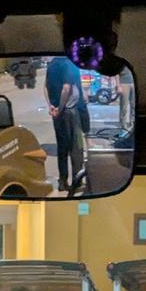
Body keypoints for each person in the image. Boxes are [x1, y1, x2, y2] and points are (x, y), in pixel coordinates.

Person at [45, 56, 86, 192]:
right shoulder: (69, 64)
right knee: (76, 148)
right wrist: (60, 108)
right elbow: (66, 88)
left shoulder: (52, 65)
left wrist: (51, 106)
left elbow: (45, 87)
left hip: (56, 113)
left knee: (62, 148)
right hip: (69, 111)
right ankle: (77, 181)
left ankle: (62, 181)